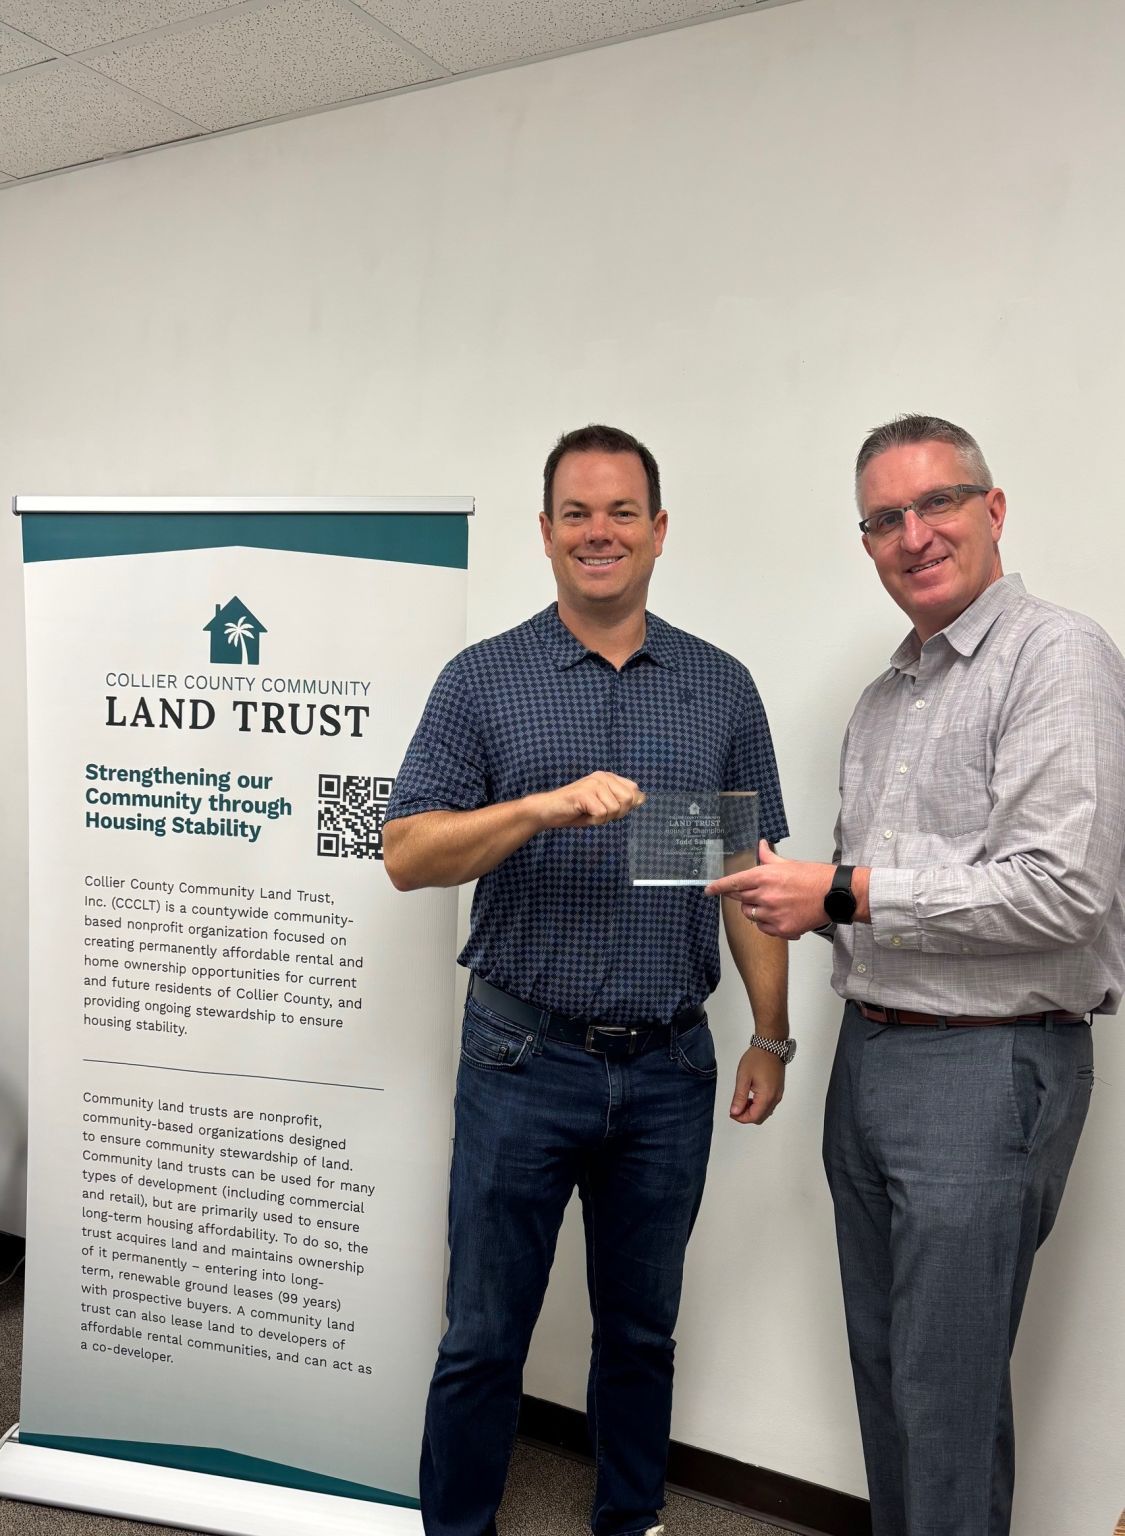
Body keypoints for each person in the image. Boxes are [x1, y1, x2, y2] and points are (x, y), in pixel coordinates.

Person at [708, 414, 1125, 1536]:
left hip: (985, 1067)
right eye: (885, 518)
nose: (914, 533)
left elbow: (1061, 892)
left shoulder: (1057, 655)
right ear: (867, 543)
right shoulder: (885, 698)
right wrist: (784, 898)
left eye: (937, 501)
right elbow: (891, 903)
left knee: (944, 1397)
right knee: (892, 1378)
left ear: (993, 509)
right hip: (873, 1054)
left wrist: (840, 893)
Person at [383, 423, 791, 1536]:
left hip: (668, 1069)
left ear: (658, 531)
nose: (598, 532)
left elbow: (746, 877)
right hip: (521, 1059)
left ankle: (630, 1519)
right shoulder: (484, 681)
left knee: (642, 1331)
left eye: (620, 512)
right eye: (576, 513)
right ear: (546, 532)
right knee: (483, 1335)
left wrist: (770, 1033)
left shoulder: (717, 690)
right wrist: (540, 807)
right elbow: (408, 854)